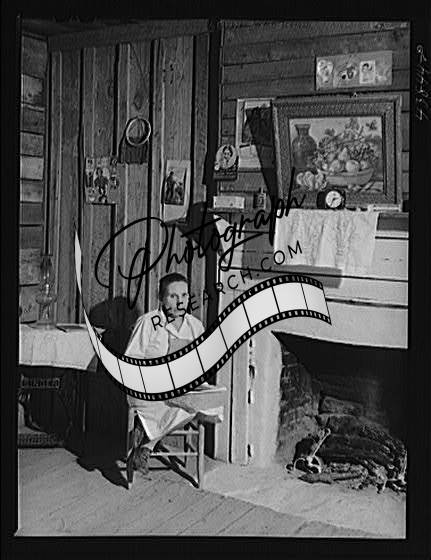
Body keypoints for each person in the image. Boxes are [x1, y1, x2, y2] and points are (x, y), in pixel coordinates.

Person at [125, 273, 220, 475]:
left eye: (184, 296)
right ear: (161, 298)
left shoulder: (195, 326)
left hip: (181, 389)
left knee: (207, 402)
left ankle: (147, 444)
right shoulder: (148, 323)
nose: (180, 302)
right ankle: (146, 431)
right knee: (182, 407)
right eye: (173, 296)